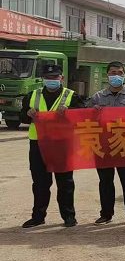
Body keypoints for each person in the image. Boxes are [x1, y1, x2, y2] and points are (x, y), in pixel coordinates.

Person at [21, 63, 84, 228]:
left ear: (61, 78)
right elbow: (23, 117)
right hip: (38, 144)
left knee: (65, 182)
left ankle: (69, 216)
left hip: (62, 144)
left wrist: (69, 111)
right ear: (43, 79)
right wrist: (28, 114)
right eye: (48, 77)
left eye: (55, 77)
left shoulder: (71, 96)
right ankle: (38, 216)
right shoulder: (32, 95)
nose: (51, 80)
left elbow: (82, 117)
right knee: (40, 183)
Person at [87, 61, 125, 225]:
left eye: (120, 73)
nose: (116, 76)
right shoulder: (98, 97)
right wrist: (93, 112)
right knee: (105, 181)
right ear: (107, 76)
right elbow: (85, 117)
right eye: (113, 73)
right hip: (103, 145)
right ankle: (106, 214)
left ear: (124, 75)